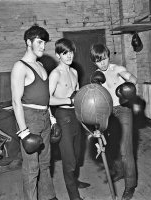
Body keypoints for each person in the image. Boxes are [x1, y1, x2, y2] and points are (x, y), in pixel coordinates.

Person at [11, 25, 59, 200]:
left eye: (44, 43)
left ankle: (48, 196)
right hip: (29, 119)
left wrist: (52, 120)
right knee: (31, 168)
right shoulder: (20, 66)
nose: (43, 46)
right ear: (28, 42)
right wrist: (24, 133)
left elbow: (45, 98)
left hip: (45, 117)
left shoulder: (40, 65)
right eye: (39, 42)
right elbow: (16, 102)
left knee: (45, 163)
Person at [90, 43, 137, 200]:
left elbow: (132, 78)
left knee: (125, 150)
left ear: (108, 56)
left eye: (104, 58)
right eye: (98, 60)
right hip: (108, 113)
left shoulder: (116, 68)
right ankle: (120, 171)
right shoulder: (95, 76)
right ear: (94, 62)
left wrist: (128, 86)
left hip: (122, 110)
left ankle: (130, 185)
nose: (102, 63)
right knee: (112, 147)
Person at [48, 38, 90, 200]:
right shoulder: (55, 74)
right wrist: (68, 100)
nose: (69, 56)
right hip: (63, 116)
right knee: (69, 158)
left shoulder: (74, 72)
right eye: (65, 53)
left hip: (76, 116)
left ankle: (74, 180)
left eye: (71, 52)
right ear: (58, 55)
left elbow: (77, 96)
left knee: (77, 153)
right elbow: (48, 100)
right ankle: (74, 196)